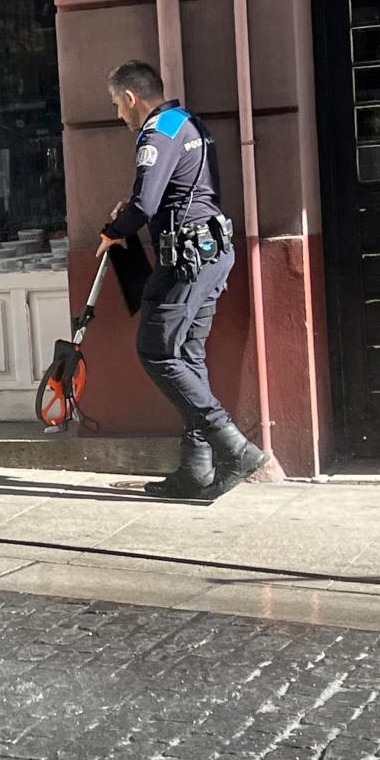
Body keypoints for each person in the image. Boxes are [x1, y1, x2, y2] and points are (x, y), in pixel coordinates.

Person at [95, 61, 268, 499]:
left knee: (156, 351)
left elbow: (147, 204)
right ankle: (196, 469)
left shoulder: (157, 133)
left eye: (117, 104)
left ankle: (234, 447)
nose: (118, 114)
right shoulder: (190, 123)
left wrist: (113, 232)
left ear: (132, 98)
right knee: (187, 356)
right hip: (210, 254)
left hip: (185, 260)